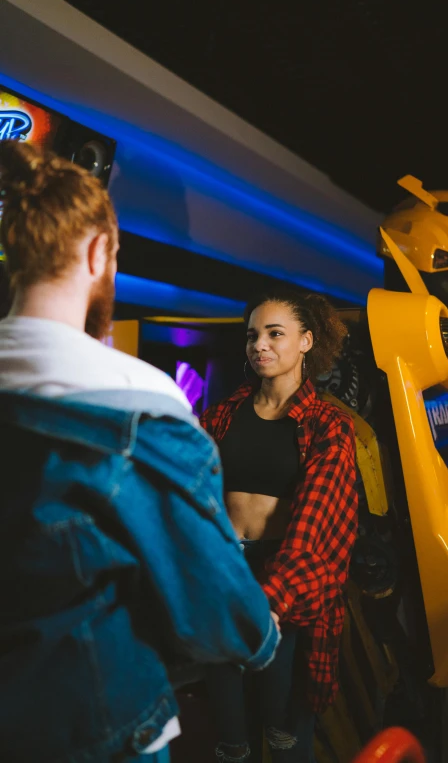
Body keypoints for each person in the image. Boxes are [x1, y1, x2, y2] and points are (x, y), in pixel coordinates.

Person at [0, 140, 280, 763]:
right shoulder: (141, 408)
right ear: (100, 252)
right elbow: (219, 616)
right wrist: (262, 632)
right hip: (101, 730)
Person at [201, 290, 359, 763]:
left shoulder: (329, 424)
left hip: (285, 581)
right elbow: (194, 497)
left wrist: (269, 602)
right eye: (253, 336)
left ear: (307, 341)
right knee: (229, 729)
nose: (260, 346)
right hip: (225, 574)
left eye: (275, 334)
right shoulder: (222, 413)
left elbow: (316, 527)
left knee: (284, 728)